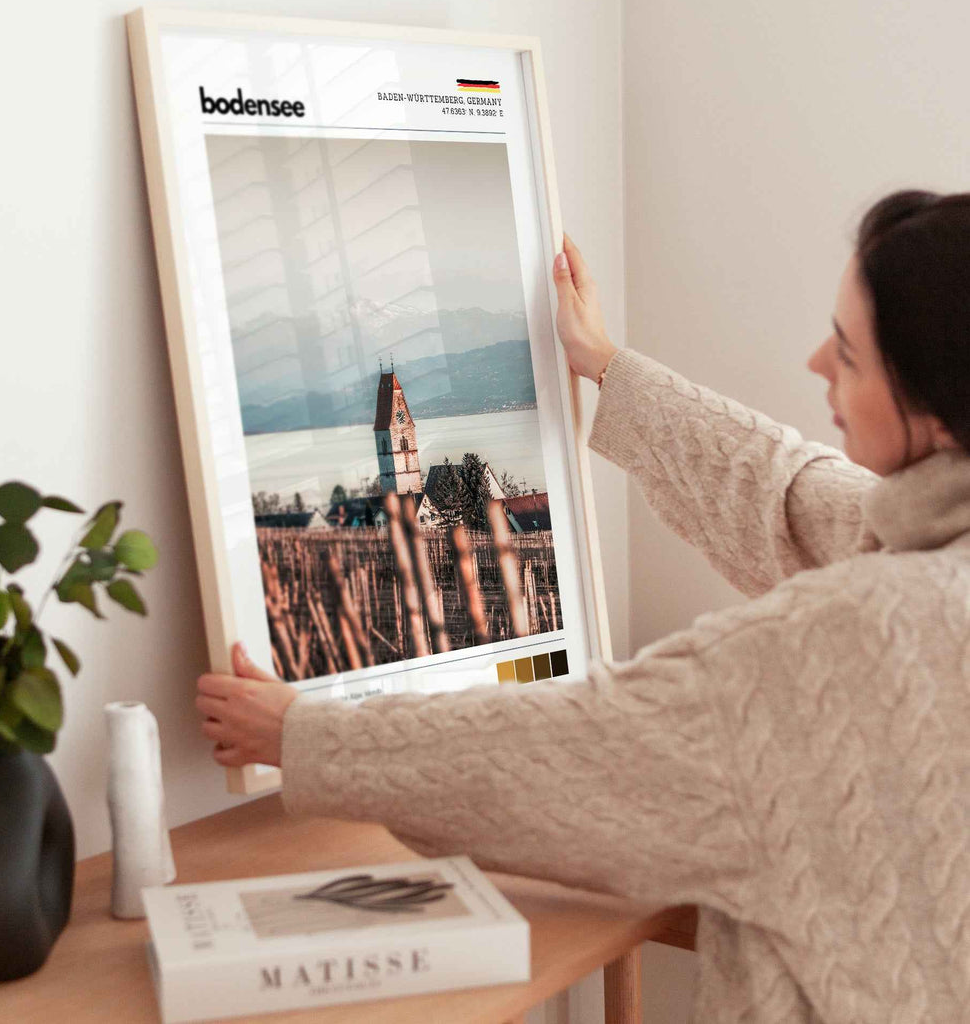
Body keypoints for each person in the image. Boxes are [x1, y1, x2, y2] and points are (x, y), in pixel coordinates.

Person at [195, 190, 970, 1023]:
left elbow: (576, 749)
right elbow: (788, 494)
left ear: (935, 410)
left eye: (850, 355)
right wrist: (606, 365)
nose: (817, 361)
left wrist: (301, 735)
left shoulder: (850, 640)